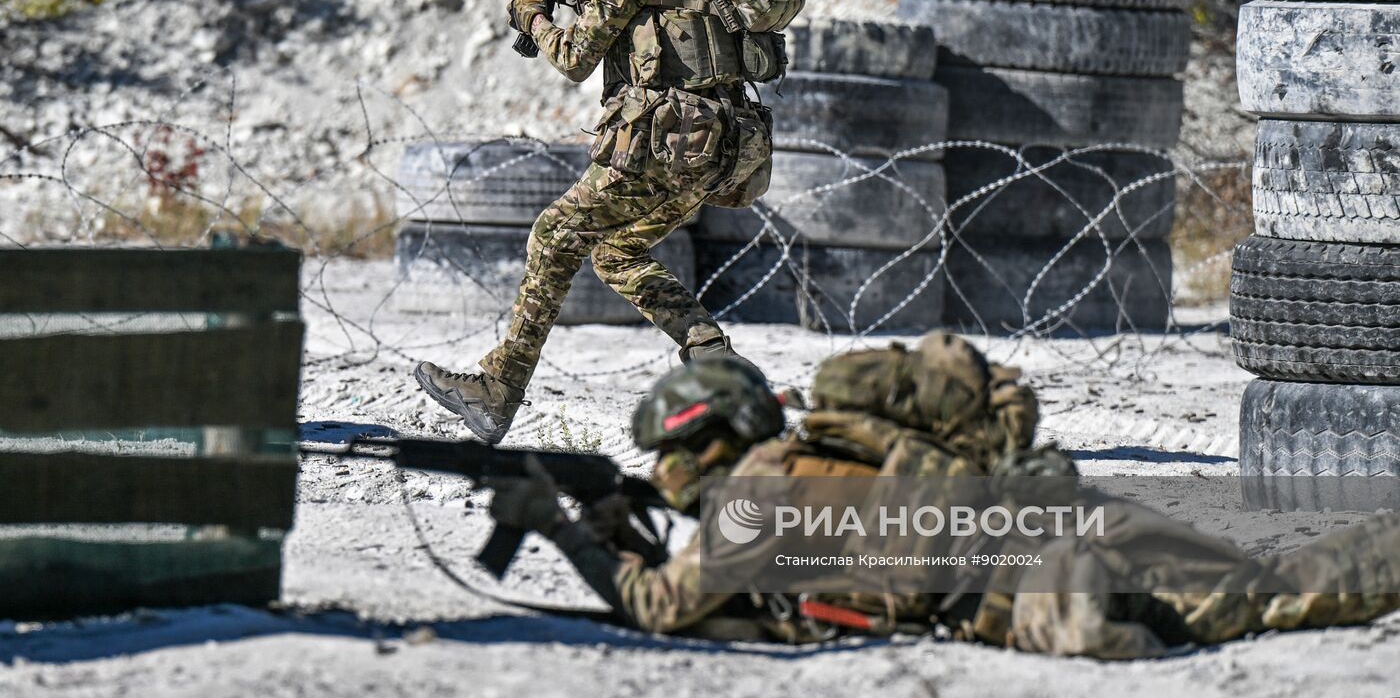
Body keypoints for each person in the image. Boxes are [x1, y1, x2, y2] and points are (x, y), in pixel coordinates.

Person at [487, 334, 1400, 657]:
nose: (663, 478)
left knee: (1240, 611)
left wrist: (567, 530)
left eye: (666, 458)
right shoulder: (827, 441)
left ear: (704, 442)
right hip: (1059, 511)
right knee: (1276, 584)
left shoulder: (757, 500)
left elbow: (655, 606)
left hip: (1027, 589)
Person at [413, 0, 773, 445]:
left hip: (664, 140)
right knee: (615, 251)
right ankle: (713, 356)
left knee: (554, 234)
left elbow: (576, 57)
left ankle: (498, 393)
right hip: (725, 144)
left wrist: (533, 16)